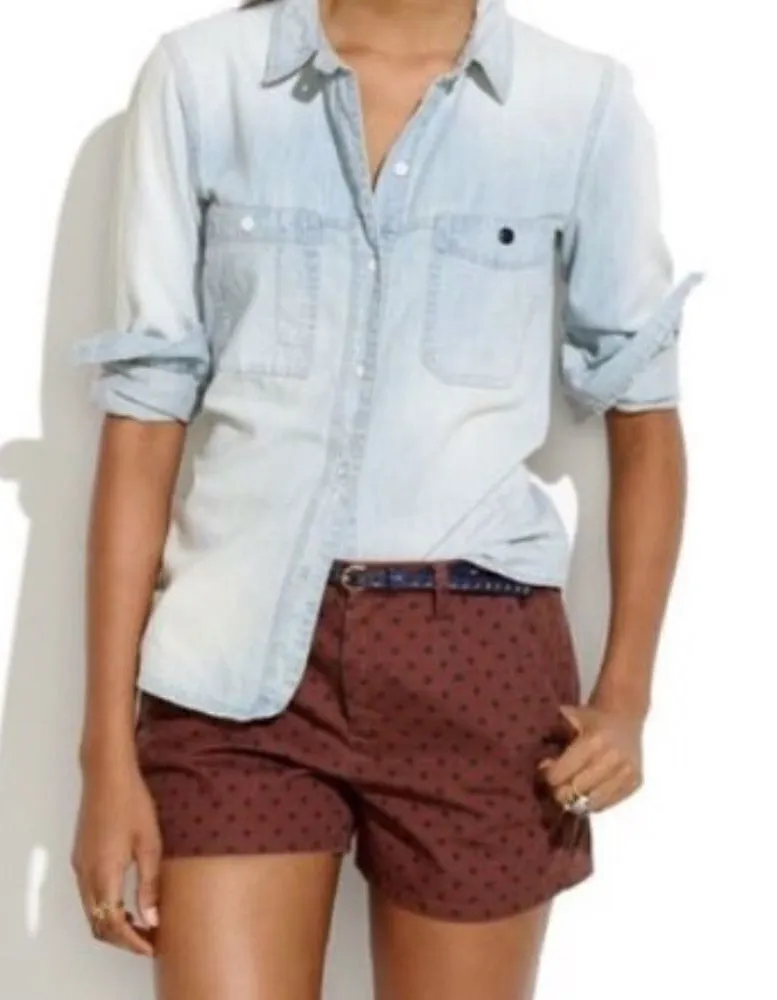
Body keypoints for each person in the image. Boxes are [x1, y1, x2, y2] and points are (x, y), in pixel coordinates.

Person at [70, 0, 701, 997]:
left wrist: (627, 697)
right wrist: (105, 754)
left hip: (477, 656)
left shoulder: (578, 103)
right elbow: (145, 421)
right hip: (234, 665)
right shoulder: (204, 79)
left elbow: (644, 413)